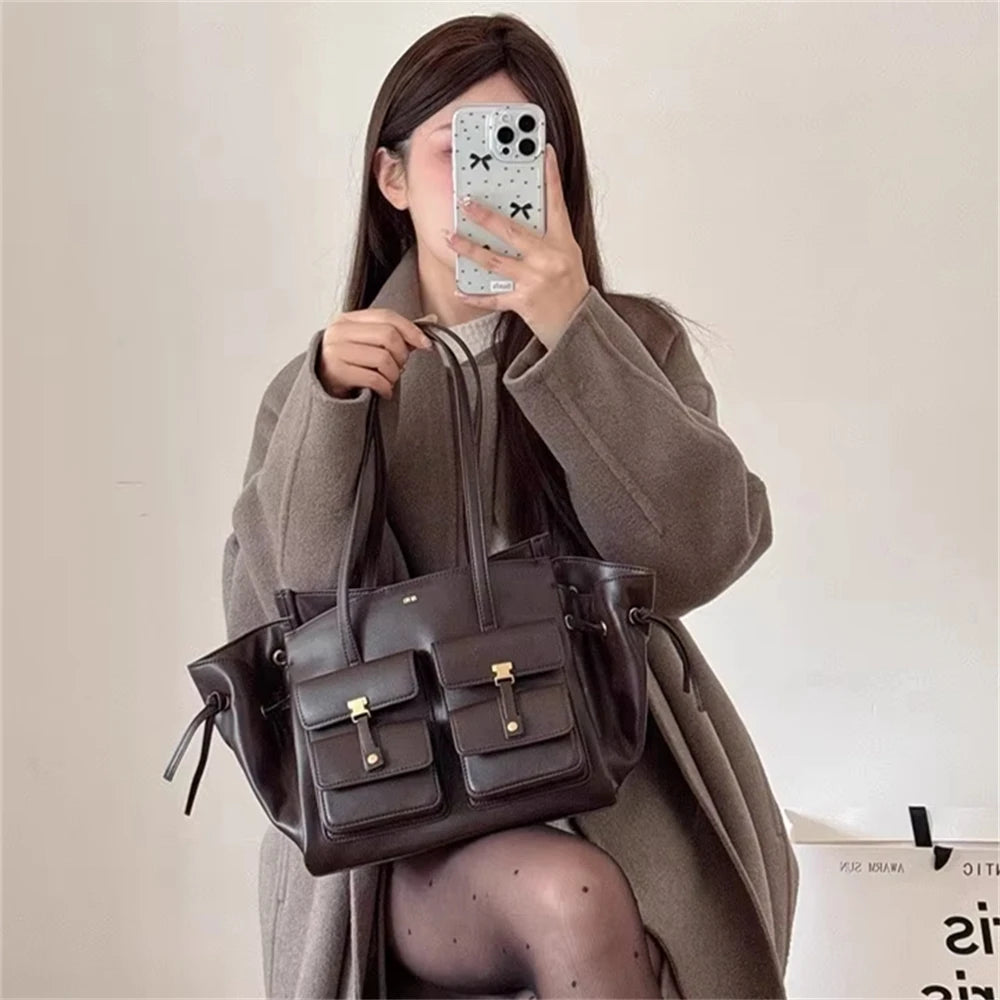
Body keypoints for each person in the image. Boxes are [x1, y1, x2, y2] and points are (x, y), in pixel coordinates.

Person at [222, 12, 799, 999]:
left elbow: (698, 553)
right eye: (457, 151)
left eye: (521, 149)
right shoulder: (321, 384)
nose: (491, 180)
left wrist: (573, 335)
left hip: (615, 780)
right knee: (570, 897)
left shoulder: (630, 344)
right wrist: (332, 412)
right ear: (392, 178)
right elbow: (281, 625)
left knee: (594, 888)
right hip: (399, 817)